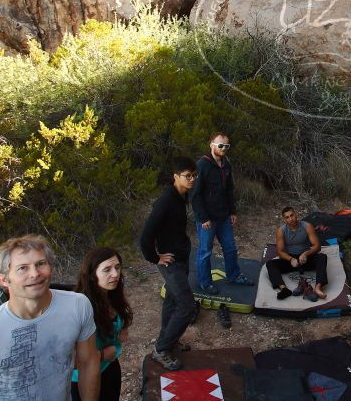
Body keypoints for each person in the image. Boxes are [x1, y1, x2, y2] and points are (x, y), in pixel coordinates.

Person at [0, 235, 100, 401]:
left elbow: (88, 362)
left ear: (50, 267)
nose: (35, 274)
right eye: (22, 268)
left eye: (41, 264)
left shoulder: (77, 306)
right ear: (3, 279)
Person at [139, 156, 197, 371]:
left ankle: (169, 341)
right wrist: (156, 258)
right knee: (187, 306)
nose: (192, 180)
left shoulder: (182, 195)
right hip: (170, 261)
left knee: (172, 301)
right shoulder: (166, 201)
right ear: (176, 177)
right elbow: (145, 236)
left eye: (194, 176)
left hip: (181, 256)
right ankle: (161, 349)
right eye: (187, 176)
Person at [191, 131, 253, 292]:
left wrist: (232, 211)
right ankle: (205, 283)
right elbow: (195, 194)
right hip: (207, 219)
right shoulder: (202, 165)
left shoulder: (226, 165)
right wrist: (203, 218)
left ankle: (234, 275)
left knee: (230, 247)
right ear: (211, 144)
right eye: (220, 145)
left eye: (227, 146)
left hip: (224, 216)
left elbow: (229, 191)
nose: (223, 148)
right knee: (205, 252)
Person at [70, 247, 134, 401]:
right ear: (92, 275)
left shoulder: (110, 295)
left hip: (110, 367)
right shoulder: (80, 309)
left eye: (117, 267)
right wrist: (103, 354)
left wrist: (122, 325)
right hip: (86, 379)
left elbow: (117, 319)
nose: (115, 274)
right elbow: (69, 360)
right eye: (107, 269)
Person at [265, 206, 328, 301]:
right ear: (284, 219)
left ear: (296, 214)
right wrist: (290, 259)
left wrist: (306, 253)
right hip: (291, 260)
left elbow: (317, 246)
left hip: (306, 258)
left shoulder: (307, 226)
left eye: (292, 215)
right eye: (287, 217)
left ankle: (318, 288)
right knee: (270, 264)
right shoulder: (281, 231)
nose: (291, 219)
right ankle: (284, 289)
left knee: (322, 257)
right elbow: (280, 251)